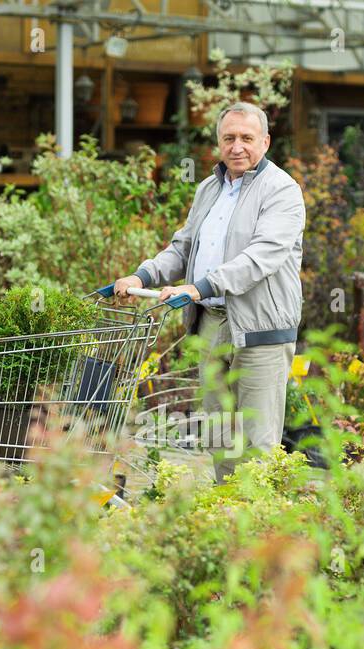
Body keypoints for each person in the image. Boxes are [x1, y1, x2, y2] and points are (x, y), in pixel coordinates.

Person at [113, 101, 306, 482]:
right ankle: (225, 523)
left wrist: (200, 287)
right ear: (219, 143)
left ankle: (263, 531)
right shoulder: (209, 188)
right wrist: (142, 276)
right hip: (212, 327)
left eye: (247, 138)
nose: (237, 147)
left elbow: (260, 257)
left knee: (258, 441)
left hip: (260, 331)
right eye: (229, 138)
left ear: (265, 141)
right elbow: (184, 247)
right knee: (221, 437)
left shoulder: (282, 190)